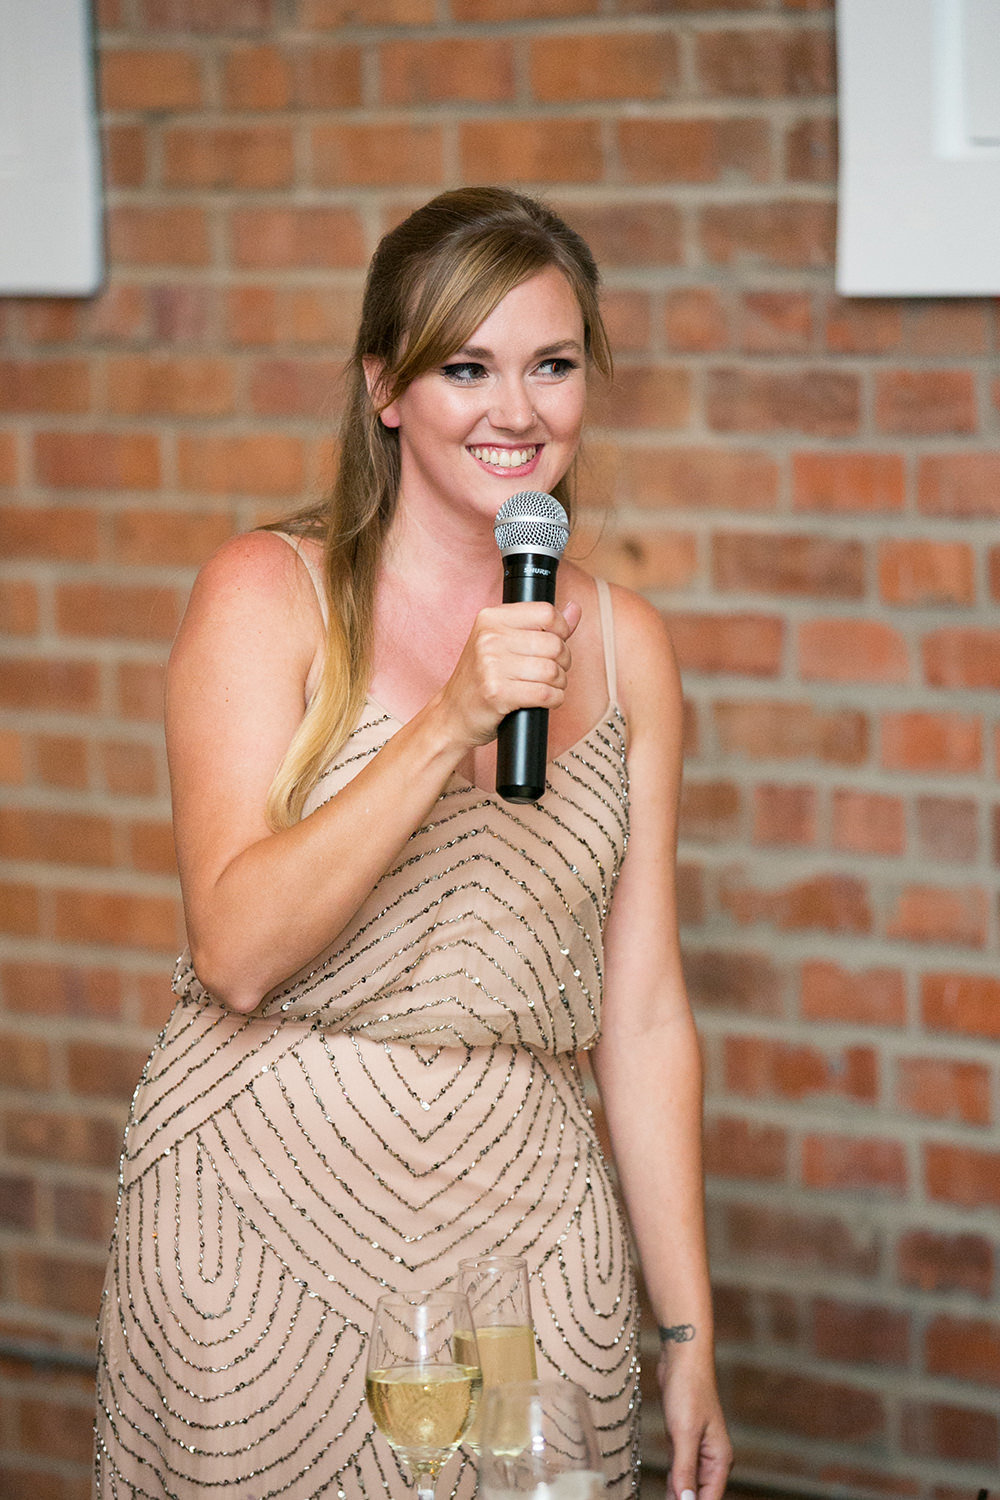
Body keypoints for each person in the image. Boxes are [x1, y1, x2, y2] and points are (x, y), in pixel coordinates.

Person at [93, 186, 732, 1500]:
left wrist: (689, 1328)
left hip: (531, 1229)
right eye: (468, 368)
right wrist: (449, 722)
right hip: (259, 1222)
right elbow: (240, 953)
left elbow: (646, 1013)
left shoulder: (628, 648)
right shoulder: (266, 595)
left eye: (553, 365)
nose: (519, 411)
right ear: (388, 387)